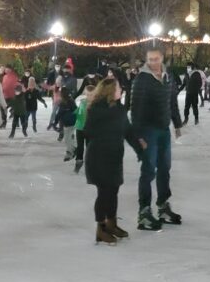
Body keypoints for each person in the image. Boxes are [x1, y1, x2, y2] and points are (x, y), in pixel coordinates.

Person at [83, 76, 145, 245]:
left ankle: (112, 224)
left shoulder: (119, 110)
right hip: (99, 158)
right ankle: (100, 229)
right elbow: (87, 131)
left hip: (114, 158)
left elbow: (128, 132)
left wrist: (140, 150)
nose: (121, 90)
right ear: (111, 92)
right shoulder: (96, 110)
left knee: (113, 192)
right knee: (104, 193)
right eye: (118, 88)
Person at [130, 48, 182, 231]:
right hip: (147, 130)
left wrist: (177, 123)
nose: (153, 62)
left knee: (165, 168)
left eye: (156, 59)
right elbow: (134, 108)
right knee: (148, 170)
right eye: (150, 59)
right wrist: (137, 136)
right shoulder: (142, 80)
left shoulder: (168, 76)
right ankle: (144, 212)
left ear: (162, 58)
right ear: (146, 61)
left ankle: (163, 206)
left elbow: (172, 101)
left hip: (163, 129)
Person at [74, 82, 96, 173]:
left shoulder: (97, 104)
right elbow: (77, 113)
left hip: (90, 129)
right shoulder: (82, 102)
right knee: (80, 147)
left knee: (89, 147)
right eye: (87, 94)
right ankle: (78, 162)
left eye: (90, 94)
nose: (88, 96)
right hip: (79, 128)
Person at [58, 89, 78, 161]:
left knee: (69, 138)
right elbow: (60, 114)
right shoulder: (62, 103)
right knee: (67, 139)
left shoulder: (70, 101)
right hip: (66, 123)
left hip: (71, 123)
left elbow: (76, 110)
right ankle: (73, 150)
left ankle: (70, 152)